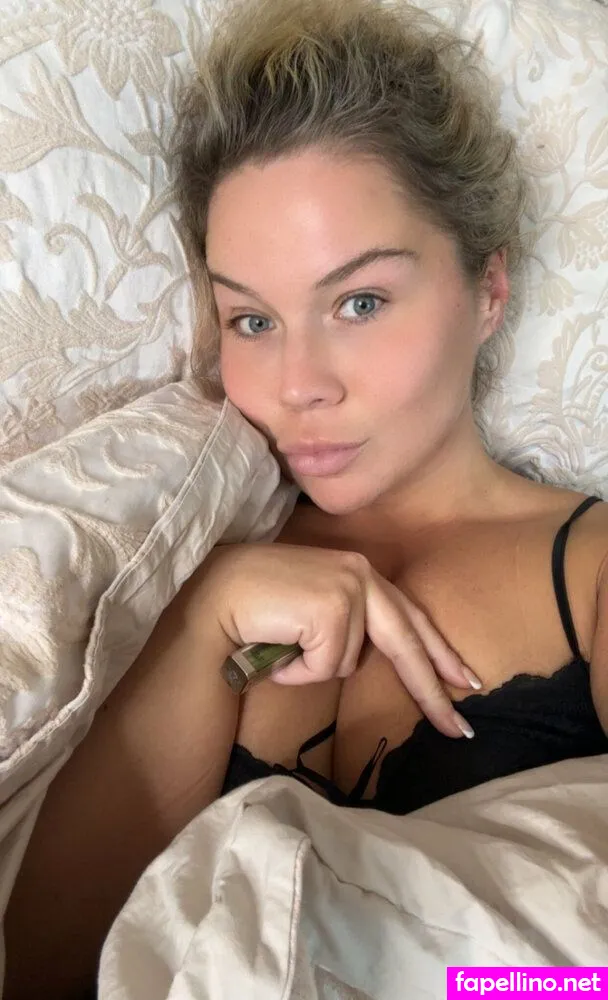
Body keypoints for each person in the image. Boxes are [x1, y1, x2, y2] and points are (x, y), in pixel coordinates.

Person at [4, 0, 608, 997]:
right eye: (251, 320)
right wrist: (211, 613)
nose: (297, 385)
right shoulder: (183, 566)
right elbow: (41, 970)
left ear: (488, 289)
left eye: (359, 302)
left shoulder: (590, 570)